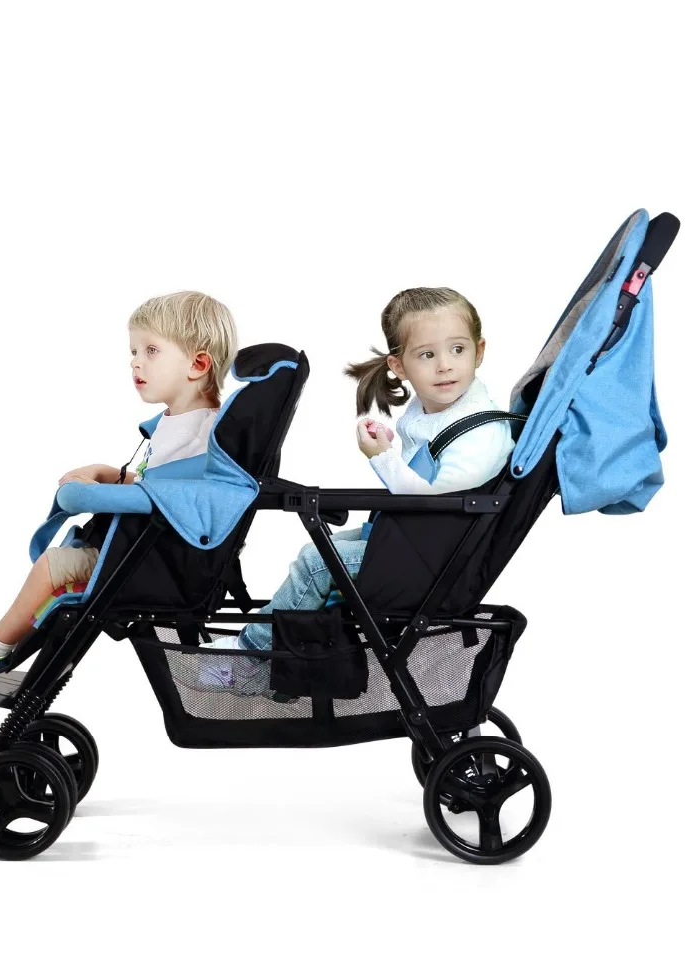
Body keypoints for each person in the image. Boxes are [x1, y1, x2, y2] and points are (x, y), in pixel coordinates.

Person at [198, 286, 514, 694]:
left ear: (479, 351)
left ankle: (248, 658)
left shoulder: (481, 433)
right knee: (320, 553)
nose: (444, 366)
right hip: (421, 544)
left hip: (433, 560)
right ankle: (296, 664)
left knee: (318, 563)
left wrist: (382, 458)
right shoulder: (439, 411)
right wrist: (391, 449)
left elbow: (430, 499)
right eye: (426, 355)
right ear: (398, 366)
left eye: (457, 349)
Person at [0, 291, 238, 689]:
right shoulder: (180, 423)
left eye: (151, 350)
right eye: (134, 351)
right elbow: (162, 488)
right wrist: (106, 474)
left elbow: (181, 498)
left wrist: (85, 496)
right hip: (143, 552)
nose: (135, 361)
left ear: (197, 364)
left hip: (153, 561)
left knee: (54, 566)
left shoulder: (204, 434)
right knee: (65, 561)